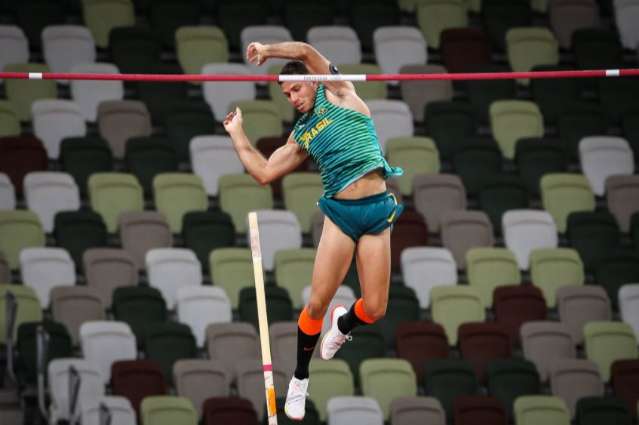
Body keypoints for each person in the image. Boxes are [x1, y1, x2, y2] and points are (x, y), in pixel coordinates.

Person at [223, 41, 404, 420]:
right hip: (341, 214)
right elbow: (264, 172)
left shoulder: (338, 91)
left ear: (312, 82)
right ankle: (300, 381)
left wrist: (268, 51)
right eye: (285, 94)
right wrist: (237, 133)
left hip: (375, 210)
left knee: (375, 308)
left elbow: (304, 51)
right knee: (316, 304)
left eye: (295, 89)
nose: (291, 98)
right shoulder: (302, 134)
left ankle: (345, 323)